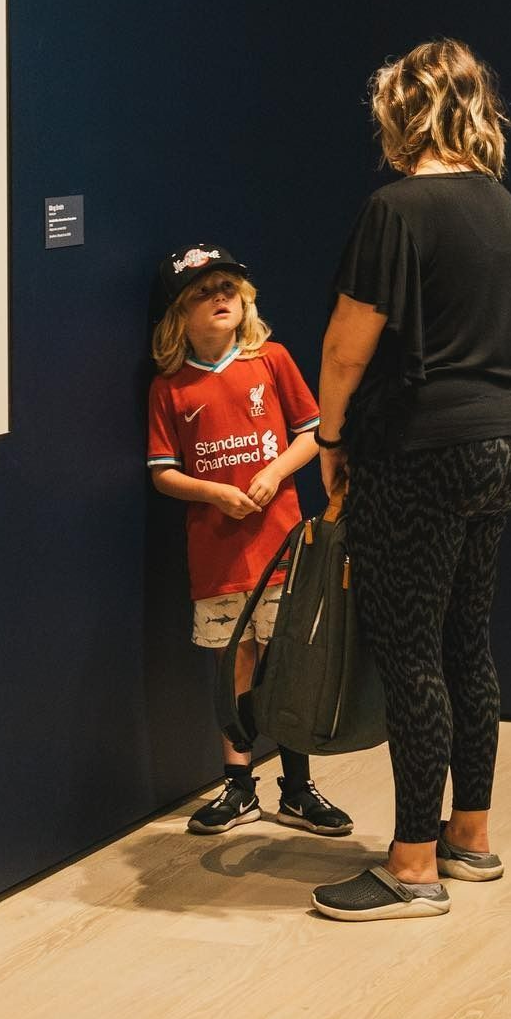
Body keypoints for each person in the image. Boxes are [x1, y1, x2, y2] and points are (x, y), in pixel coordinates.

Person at [309, 39, 511, 921]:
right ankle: (468, 836)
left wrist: (331, 437)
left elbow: (345, 346)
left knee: (410, 652)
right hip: (505, 439)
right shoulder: (501, 205)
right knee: (466, 638)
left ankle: (409, 866)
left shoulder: (395, 209)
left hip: (421, 450)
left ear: (401, 112)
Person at [147, 243, 354, 837]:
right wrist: (214, 493)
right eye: (204, 292)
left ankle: (298, 788)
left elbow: (313, 433)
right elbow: (162, 472)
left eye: (228, 289)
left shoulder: (271, 360)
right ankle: (239, 785)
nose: (221, 298)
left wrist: (273, 472)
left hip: (280, 548)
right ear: (180, 312)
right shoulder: (170, 387)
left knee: (288, 662)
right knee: (234, 663)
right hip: (217, 556)